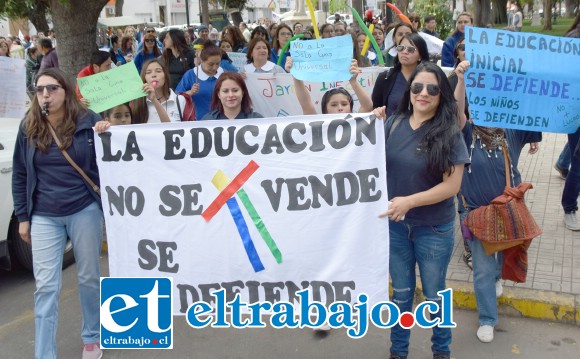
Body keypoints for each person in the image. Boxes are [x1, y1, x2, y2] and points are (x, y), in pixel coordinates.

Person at [378, 62, 469, 359]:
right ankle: (398, 352)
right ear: (409, 90)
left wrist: (410, 201)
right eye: (417, 87)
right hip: (395, 227)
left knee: (433, 295)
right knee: (401, 295)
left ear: (441, 94)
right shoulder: (391, 124)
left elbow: (452, 186)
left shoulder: (450, 132)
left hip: (432, 229)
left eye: (432, 88)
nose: (424, 94)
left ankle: (441, 351)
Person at [12, 68, 104, 359]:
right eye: (39, 90)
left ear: (66, 90)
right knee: (46, 286)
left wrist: (105, 131)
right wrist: (24, 217)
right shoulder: (28, 126)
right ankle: (44, 353)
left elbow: (107, 163)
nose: (45, 95)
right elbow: (20, 174)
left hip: (84, 209)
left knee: (89, 276)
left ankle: (92, 337)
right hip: (44, 214)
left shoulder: (87, 121)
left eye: (52, 88)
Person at [461, 124, 541, 344]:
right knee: (482, 270)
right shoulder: (466, 132)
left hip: (509, 211)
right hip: (478, 214)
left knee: (504, 253)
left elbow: (533, 113)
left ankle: (498, 277)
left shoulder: (512, 131)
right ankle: (487, 319)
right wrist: (461, 87)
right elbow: (458, 111)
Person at [287, 57, 373, 115]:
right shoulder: (318, 126)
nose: (340, 108)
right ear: (325, 109)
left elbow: (367, 105)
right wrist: (296, 75)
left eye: (344, 104)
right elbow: (306, 104)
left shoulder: (357, 123)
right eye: (334, 105)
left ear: (351, 107)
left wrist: (353, 81)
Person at [372, 33, 429, 118]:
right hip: (390, 130)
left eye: (410, 49)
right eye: (401, 48)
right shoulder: (384, 78)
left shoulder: (430, 79)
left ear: (420, 56)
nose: (404, 52)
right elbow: (376, 108)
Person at [176, 40, 224, 120]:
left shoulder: (223, 74)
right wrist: (190, 92)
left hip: (221, 120)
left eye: (218, 63)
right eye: (210, 64)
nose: (215, 67)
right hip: (198, 121)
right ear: (201, 60)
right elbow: (177, 97)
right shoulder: (190, 75)